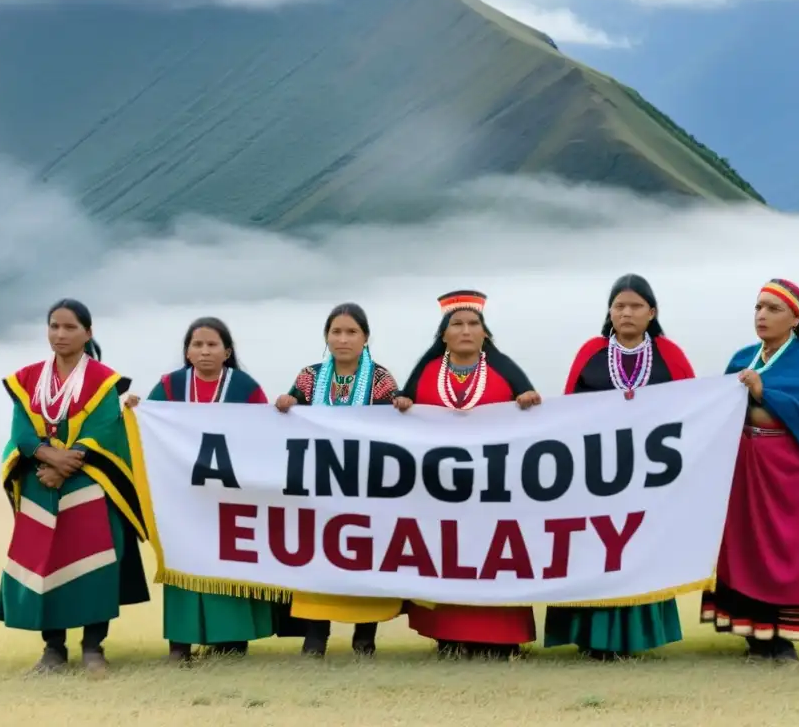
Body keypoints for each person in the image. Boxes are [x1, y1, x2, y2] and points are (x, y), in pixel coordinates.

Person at [543, 274, 695, 660]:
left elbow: (693, 406)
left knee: (636, 551)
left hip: (648, 477)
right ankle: (591, 638)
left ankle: (632, 639)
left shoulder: (669, 354)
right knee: (594, 549)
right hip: (594, 476)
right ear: (609, 312)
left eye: (635, 306)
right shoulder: (591, 352)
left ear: (652, 312)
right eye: (619, 306)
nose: (626, 313)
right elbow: (568, 410)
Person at [0, 299, 149, 675]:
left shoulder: (103, 380)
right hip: (40, 486)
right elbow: (21, 433)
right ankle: (53, 649)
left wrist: (65, 466)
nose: (60, 334)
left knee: (95, 566)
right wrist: (48, 459)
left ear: (88, 333)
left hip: (91, 486)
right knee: (45, 565)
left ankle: (94, 647)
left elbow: (104, 432)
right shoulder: (28, 379)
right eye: (54, 326)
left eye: (69, 327)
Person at [392, 289, 542, 658]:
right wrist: (404, 403)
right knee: (449, 559)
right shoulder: (426, 372)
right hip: (441, 494)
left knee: (497, 559)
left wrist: (527, 401)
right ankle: (450, 637)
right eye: (456, 324)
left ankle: (502, 640)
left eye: (473, 324)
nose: (465, 330)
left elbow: (532, 407)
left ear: (485, 333)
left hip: (495, 491)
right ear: (443, 335)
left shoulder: (505, 371)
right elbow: (404, 413)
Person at [699, 279, 799, 663]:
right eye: (758, 307)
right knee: (744, 542)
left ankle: (782, 637)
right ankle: (753, 635)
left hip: (789, 470)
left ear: (795, 317)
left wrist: (762, 391)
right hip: (743, 465)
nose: (762, 315)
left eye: (773, 309)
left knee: (784, 544)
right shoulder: (744, 355)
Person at [125, 317, 275, 662]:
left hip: (231, 495)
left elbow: (265, 435)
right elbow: (147, 432)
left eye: (212, 345)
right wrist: (136, 411)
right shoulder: (169, 386)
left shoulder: (245, 387)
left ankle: (232, 641)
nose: (204, 351)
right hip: (182, 496)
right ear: (187, 352)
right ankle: (180, 643)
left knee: (232, 560)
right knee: (183, 560)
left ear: (227, 352)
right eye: (197, 345)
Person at [273, 302, 402, 658]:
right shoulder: (310, 377)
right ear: (326, 337)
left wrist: (404, 405)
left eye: (351, 332)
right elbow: (291, 411)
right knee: (317, 559)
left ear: (365, 338)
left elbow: (397, 418)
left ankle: (364, 638)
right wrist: (286, 402)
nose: (343, 339)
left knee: (365, 557)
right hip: (319, 487)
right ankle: (315, 638)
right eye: (336, 332)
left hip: (366, 486)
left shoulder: (380, 378)